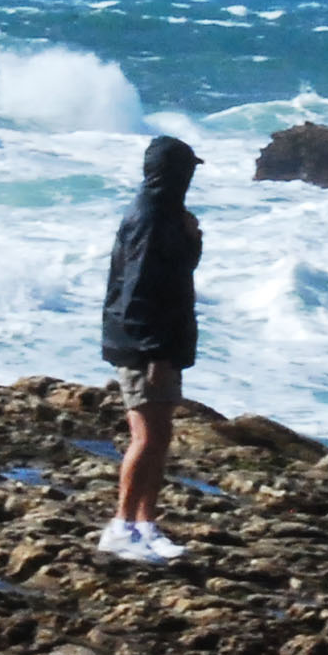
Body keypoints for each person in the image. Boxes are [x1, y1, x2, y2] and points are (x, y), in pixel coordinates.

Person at [96, 134, 203, 563]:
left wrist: (193, 240)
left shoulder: (165, 214)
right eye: (188, 170)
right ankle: (120, 527)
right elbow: (138, 292)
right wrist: (157, 353)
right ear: (175, 173)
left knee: (159, 437)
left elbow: (173, 274)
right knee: (147, 436)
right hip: (144, 345)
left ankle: (145, 526)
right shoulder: (149, 217)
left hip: (158, 342)